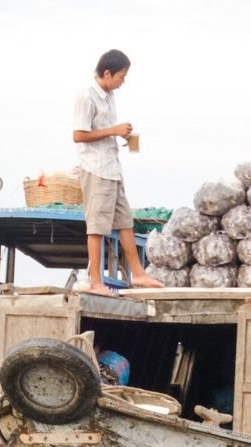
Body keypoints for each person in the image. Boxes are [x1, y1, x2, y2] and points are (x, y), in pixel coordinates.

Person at [73, 49, 162, 295]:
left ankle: (140, 275)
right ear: (108, 73)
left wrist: (122, 134)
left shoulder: (109, 95)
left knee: (125, 222)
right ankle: (96, 282)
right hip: (96, 169)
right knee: (97, 227)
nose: (123, 81)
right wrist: (113, 130)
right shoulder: (86, 96)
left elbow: (103, 130)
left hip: (112, 169)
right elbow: (78, 135)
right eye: (122, 76)